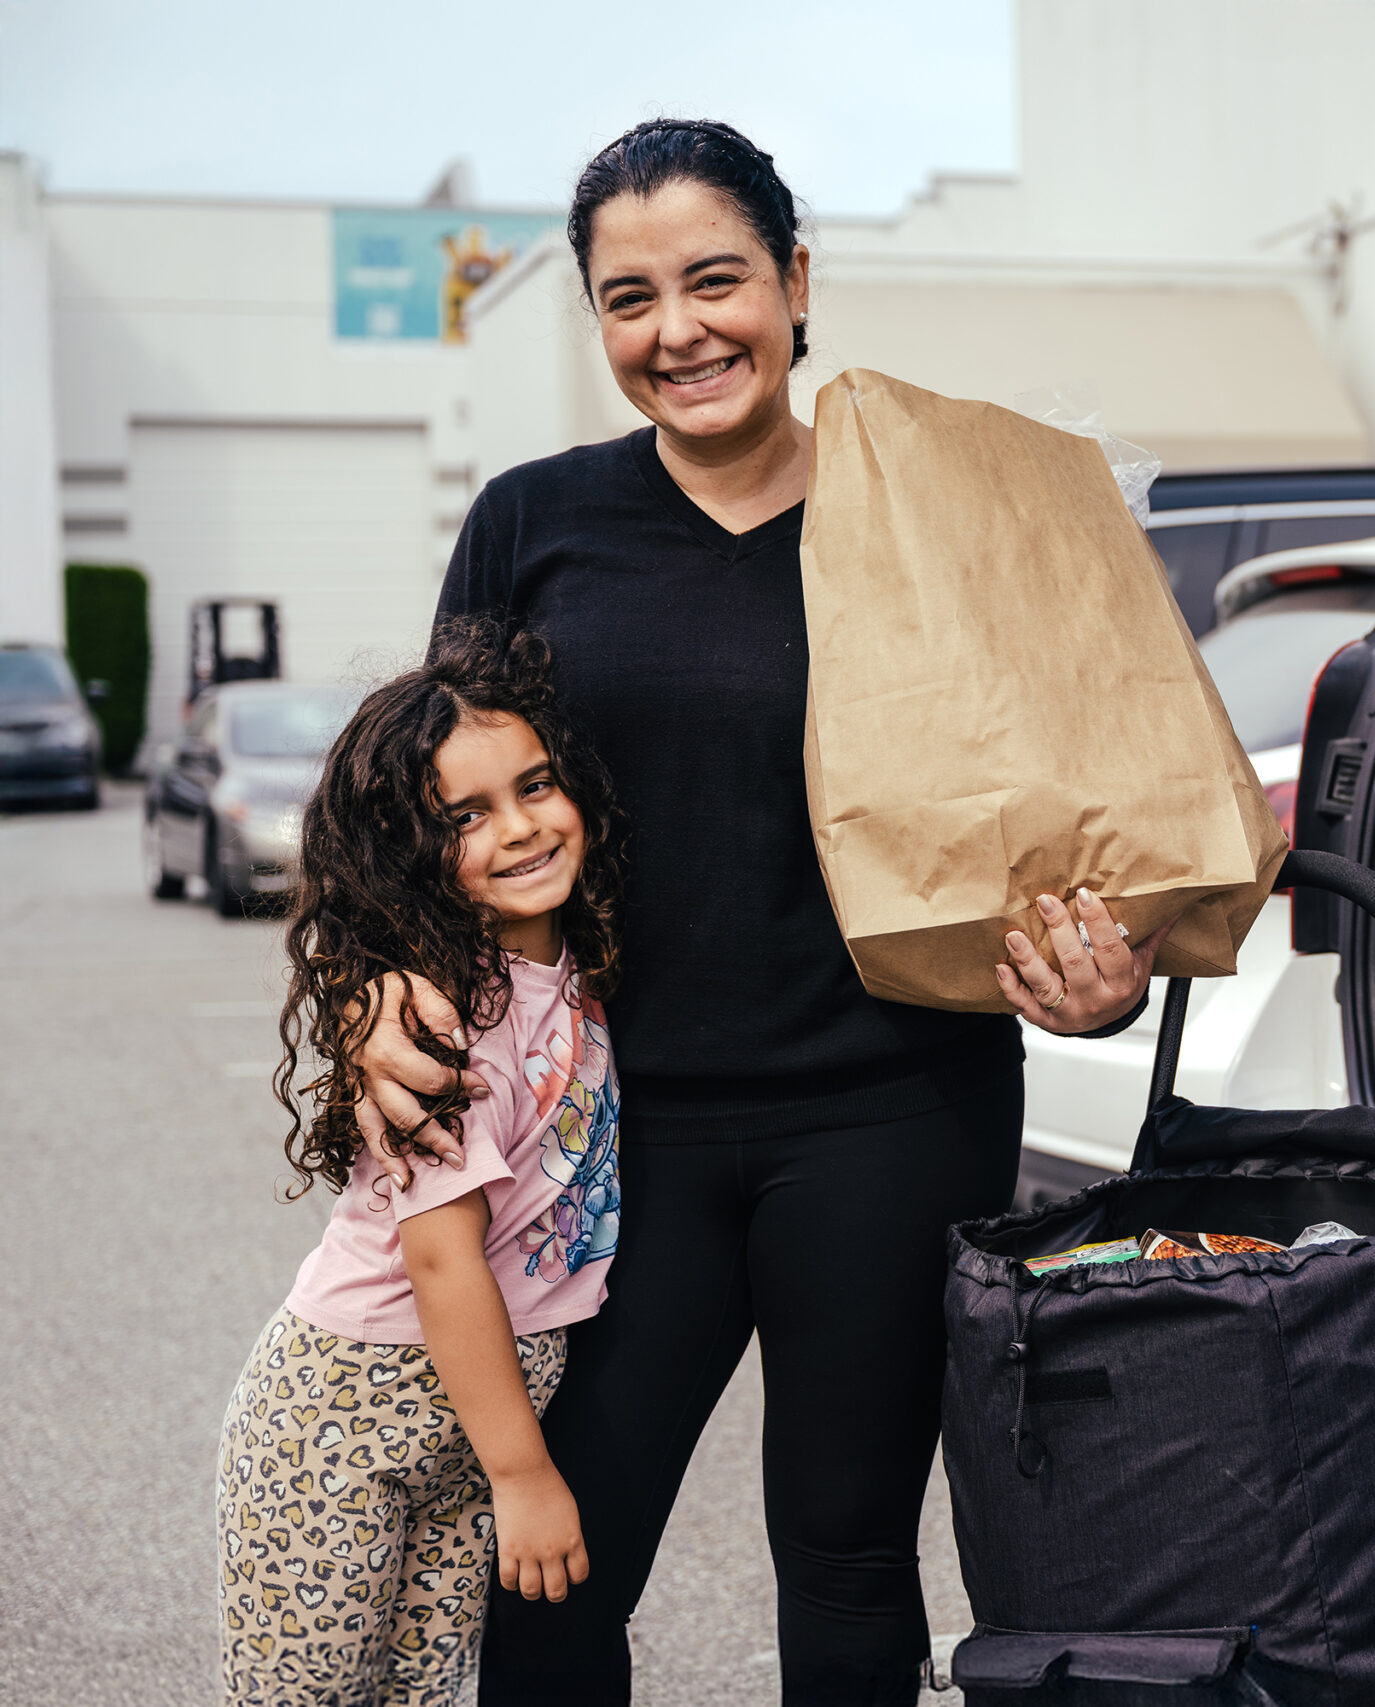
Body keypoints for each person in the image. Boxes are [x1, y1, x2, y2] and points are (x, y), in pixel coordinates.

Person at [347, 119, 1162, 1706]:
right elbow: (418, 806)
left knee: (851, 1559)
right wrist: (387, 978)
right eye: (629, 300)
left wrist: (1104, 975)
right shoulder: (534, 521)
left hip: (891, 1105)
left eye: (716, 280)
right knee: (557, 1557)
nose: (679, 332)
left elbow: (1090, 810)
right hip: (601, 1125)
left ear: (795, 281)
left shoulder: (943, 515)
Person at [219, 620, 626, 1705]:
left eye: (536, 787)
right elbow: (444, 1265)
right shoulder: (441, 1017)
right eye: (468, 815)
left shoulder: (574, 959)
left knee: (417, 1696)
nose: (523, 827)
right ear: (408, 851)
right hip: (346, 1421)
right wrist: (524, 1474)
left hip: (472, 1428)